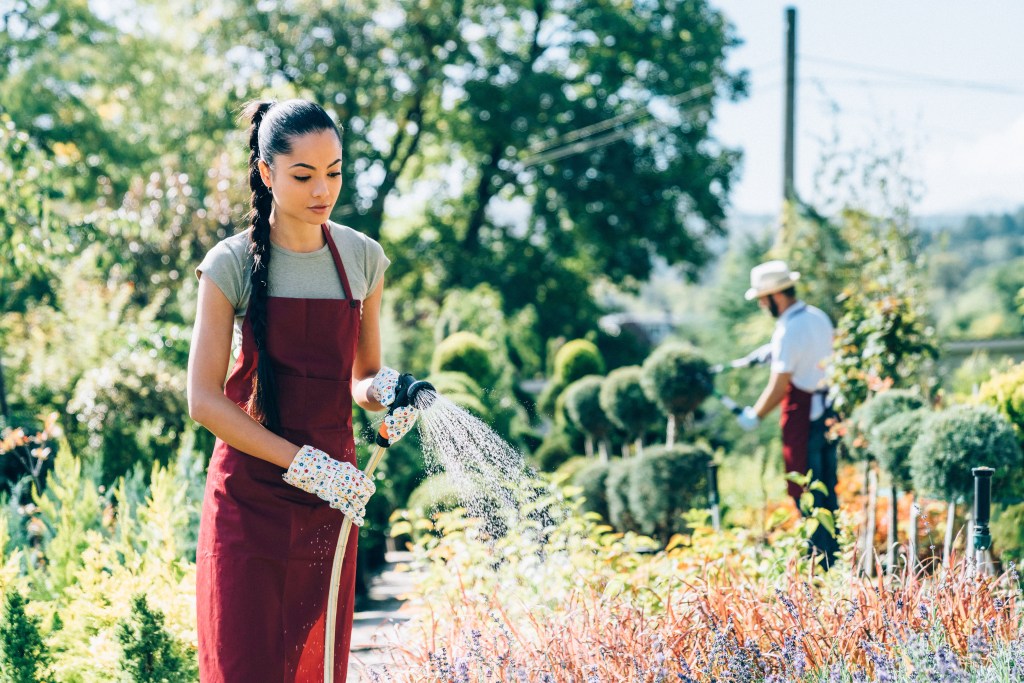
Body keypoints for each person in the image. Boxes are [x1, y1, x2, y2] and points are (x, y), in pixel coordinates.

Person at [187, 99, 416, 681]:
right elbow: (204, 400)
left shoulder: (362, 258)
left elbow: (359, 377)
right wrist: (305, 464)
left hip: (332, 498)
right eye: (304, 175)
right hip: (249, 497)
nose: (324, 190)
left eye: (335, 172)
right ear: (267, 174)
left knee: (313, 665)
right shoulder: (231, 262)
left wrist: (392, 392)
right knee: (243, 663)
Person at [735, 260, 840, 567]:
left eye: (761, 299)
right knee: (827, 489)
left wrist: (755, 414)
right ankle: (832, 558)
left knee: (806, 493)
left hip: (804, 419)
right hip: (829, 415)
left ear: (774, 297)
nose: (760, 305)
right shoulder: (817, 317)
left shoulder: (788, 331)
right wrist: (771, 351)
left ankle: (818, 563)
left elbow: (780, 385)